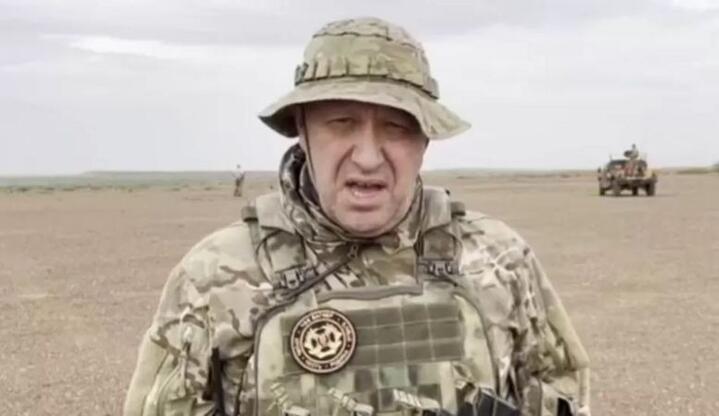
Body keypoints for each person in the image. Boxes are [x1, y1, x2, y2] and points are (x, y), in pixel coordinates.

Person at [124, 17, 590, 416]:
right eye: (341, 123)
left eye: (396, 127)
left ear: (425, 141)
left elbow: (560, 391)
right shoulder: (214, 276)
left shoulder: (500, 260)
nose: (368, 157)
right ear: (302, 130)